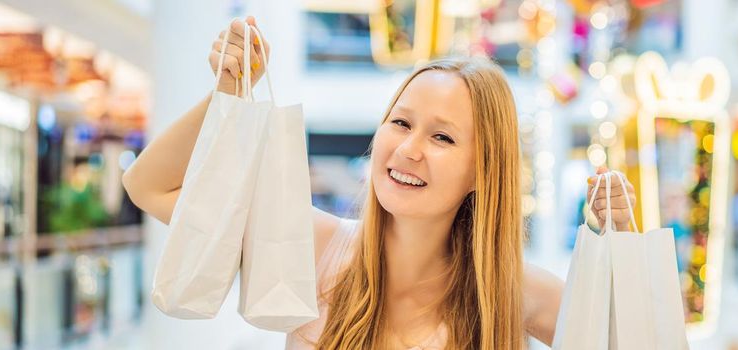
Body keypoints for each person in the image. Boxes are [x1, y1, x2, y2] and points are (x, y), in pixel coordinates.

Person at [123, 16, 636, 350]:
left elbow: (634, 339)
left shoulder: (513, 289)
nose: (409, 149)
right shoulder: (315, 244)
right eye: (401, 123)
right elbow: (149, 186)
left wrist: (623, 246)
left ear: (484, 171)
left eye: (442, 137)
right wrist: (228, 96)